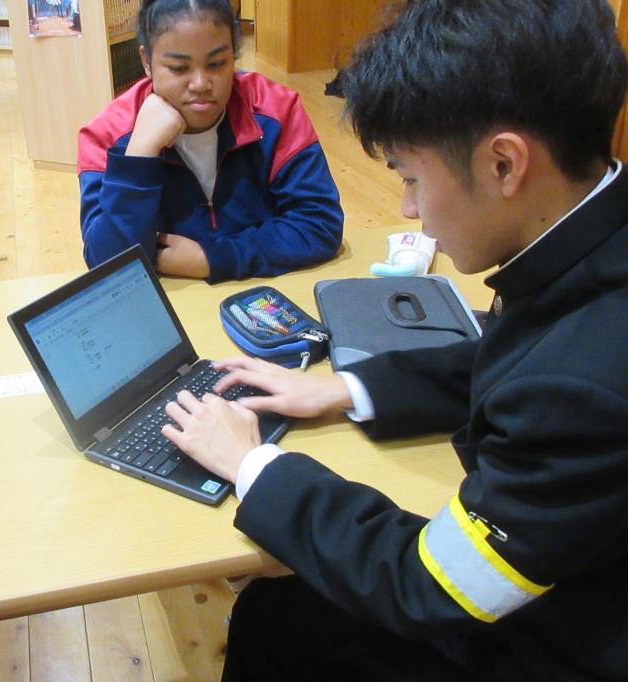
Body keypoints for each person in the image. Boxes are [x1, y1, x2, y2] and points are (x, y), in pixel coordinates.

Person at [159, 0, 628, 678]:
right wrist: (343, 389)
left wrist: (253, 465)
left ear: (503, 164)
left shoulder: (584, 384)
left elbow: (433, 588)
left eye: (410, 177)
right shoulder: (590, 239)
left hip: (568, 641)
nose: (408, 209)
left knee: (277, 618)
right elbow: (513, 355)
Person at [77, 0, 344, 283]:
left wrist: (213, 259)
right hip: (174, 300)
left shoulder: (277, 110)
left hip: (263, 290)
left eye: (217, 64)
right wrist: (140, 153)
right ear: (146, 61)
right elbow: (107, 265)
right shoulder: (106, 135)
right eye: (179, 68)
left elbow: (320, 223)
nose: (201, 84)